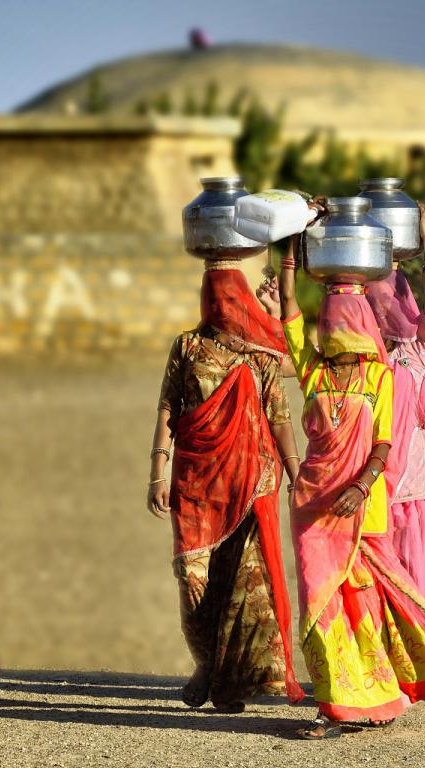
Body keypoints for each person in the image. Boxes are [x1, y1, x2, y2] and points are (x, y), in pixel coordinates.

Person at [277, 236, 425, 740]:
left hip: (361, 506)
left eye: (348, 317)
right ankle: (335, 700)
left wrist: (361, 488)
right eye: (332, 317)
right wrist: (293, 250)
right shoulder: (312, 372)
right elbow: (289, 311)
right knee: (319, 602)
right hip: (314, 507)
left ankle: (370, 698)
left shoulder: (378, 376)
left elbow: (384, 444)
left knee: (361, 600)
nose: (339, 328)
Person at [147, 258, 304, 713]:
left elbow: (280, 417)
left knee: (246, 584)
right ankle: (204, 662)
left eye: (229, 294)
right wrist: (158, 471)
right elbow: (167, 409)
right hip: (194, 483)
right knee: (193, 580)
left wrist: (298, 476)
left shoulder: (260, 354)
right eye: (213, 293)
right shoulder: (187, 346)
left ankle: (232, 682)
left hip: (252, 483)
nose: (220, 303)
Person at [366, 203, 425, 595]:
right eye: (375, 305)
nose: (383, 311)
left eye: (387, 303)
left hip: (412, 489)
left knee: (414, 588)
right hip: (374, 484)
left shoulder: (418, 350)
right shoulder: (364, 357)